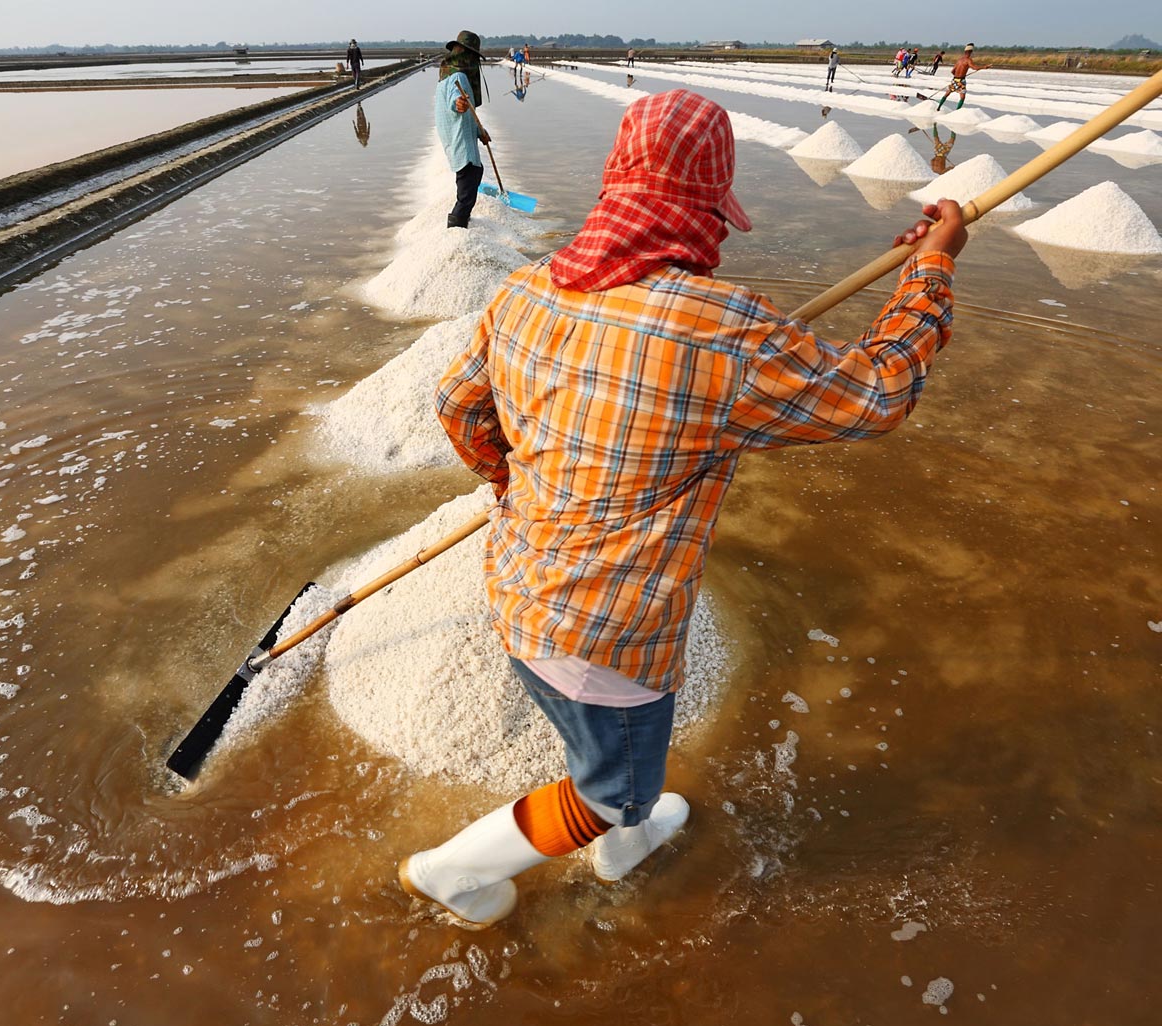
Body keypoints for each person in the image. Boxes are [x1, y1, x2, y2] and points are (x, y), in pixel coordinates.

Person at [401, 89, 968, 929]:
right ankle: (457, 869)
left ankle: (626, 840)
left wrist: (510, 484)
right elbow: (878, 392)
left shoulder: (526, 293)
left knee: (598, 749)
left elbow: (458, 406)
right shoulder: (724, 331)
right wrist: (933, 266)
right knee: (608, 788)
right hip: (610, 639)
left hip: (519, 585)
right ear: (707, 201)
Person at [435, 30, 491, 229]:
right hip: (461, 142)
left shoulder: (446, 77)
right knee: (468, 188)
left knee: (474, 174)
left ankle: (461, 221)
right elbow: (455, 100)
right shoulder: (459, 77)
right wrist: (458, 103)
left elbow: (468, 115)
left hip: (459, 137)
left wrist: (480, 132)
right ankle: (456, 227)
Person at [937, 43, 989, 110]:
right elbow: (974, 68)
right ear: (971, 52)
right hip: (961, 81)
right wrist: (984, 67)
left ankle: (938, 107)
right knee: (962, 97)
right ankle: (957, 111)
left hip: (954, 79)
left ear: (965, 52)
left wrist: (957, 76)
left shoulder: (959, 60)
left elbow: (952, 71)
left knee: (947, 94)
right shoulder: (968, 60)